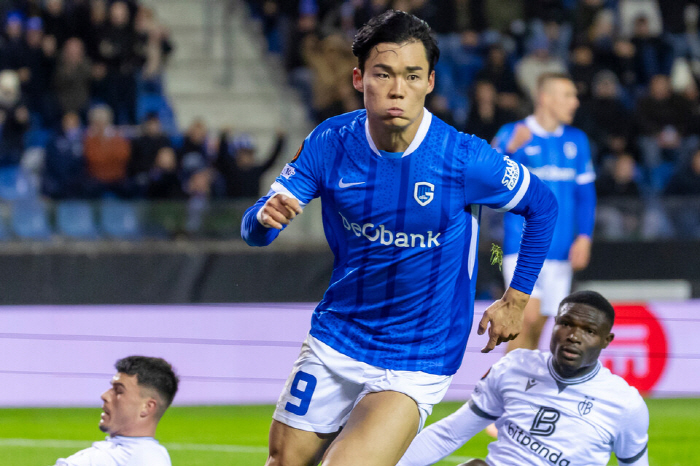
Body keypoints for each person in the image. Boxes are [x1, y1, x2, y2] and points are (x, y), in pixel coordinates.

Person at [241, 10, 558, 466]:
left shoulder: (463, 157)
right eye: (383, 73)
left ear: (429, 82)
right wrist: (262, 220)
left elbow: (542, 206)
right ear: (359, 78)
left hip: (417, 353)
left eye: (411, 75)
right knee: (283, 461)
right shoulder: (331, 142)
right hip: (336, 337)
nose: (397, 89)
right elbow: (256, 232)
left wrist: (517, 297)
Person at [397, 290, 650, 466]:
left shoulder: (625, 404)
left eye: (589, 331)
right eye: (566, 324)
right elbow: (450, 434)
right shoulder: (515, 367)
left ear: (606, 341)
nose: (573, 336)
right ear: (554, 325)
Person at [493, 72, 596, 353]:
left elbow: (585, 195)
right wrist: (509, 150)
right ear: (545, 98)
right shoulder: (513, 133)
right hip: (521, 246)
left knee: (537, 327)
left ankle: (512, 378)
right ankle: (505, 380)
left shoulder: (577, 140)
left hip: (561, 250)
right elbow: (487, 182)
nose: (575, 102)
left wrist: (584, 237)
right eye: (568, 95)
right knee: (524, 319)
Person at [54, 355, 179, 466]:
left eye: (119, 391)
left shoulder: (104, 460)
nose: (105, 395)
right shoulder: (157, 453)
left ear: (147, 407)